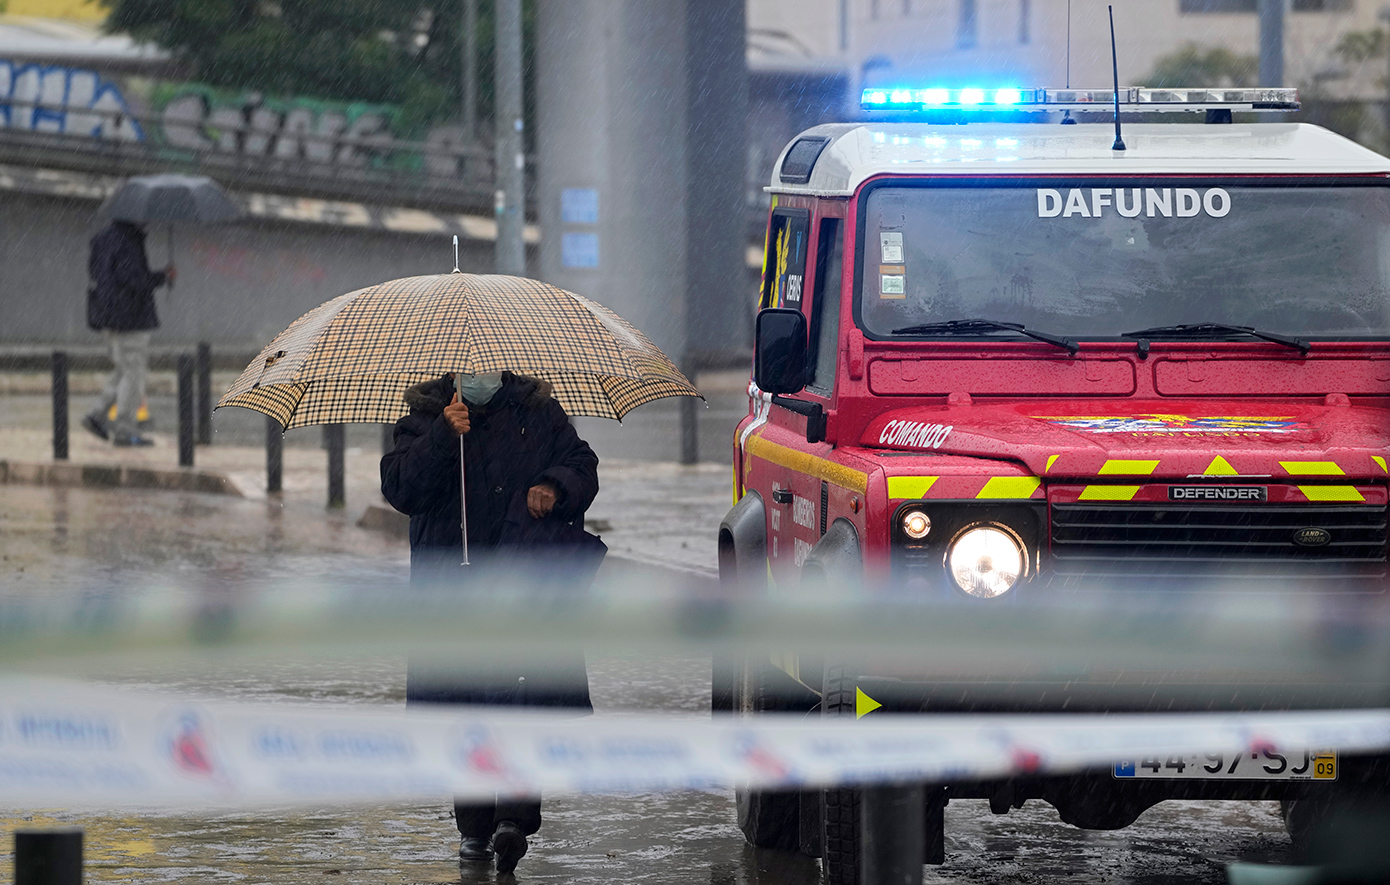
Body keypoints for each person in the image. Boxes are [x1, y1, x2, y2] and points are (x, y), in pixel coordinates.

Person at [380, 370, 600, 874]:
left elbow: (582, 465)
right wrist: (442, 435)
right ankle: (474, 829)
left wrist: (553, 485)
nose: (480, 375)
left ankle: (514, 821)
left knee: (522, 696)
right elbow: (400, 488)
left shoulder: (537, 410)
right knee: (466, 705)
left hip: (523, 585)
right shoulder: (425, 415)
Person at [83, 219, 175, 446]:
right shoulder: (128, 241)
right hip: (129, 318)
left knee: (125, 370)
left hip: (108, 315)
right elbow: (133, 279)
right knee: (134, 373)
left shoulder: (104, 238)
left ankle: (97, 416)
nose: (148, 222)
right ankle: (124, 429)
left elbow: (97, 272)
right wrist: (162, 277)